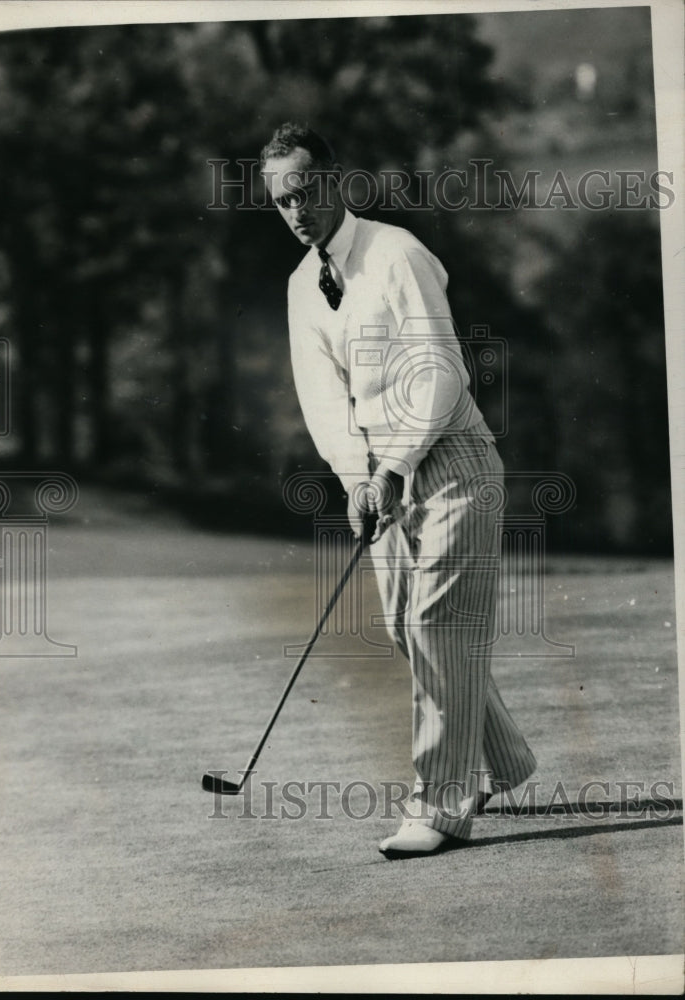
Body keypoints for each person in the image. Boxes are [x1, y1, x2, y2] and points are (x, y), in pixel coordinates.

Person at [260, 122, 536, 858]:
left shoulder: (396, 254)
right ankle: (504, 763)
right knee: (404, 626)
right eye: (280, 201)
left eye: (304, 192)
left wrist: (392, 466)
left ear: (336, 181)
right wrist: (359, 480)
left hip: (453, 463)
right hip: (386, 475)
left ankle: (440, 807)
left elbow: (441, 371)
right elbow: (322, 399)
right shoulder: (301, 286)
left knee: (436, 628)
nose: (295, 212)